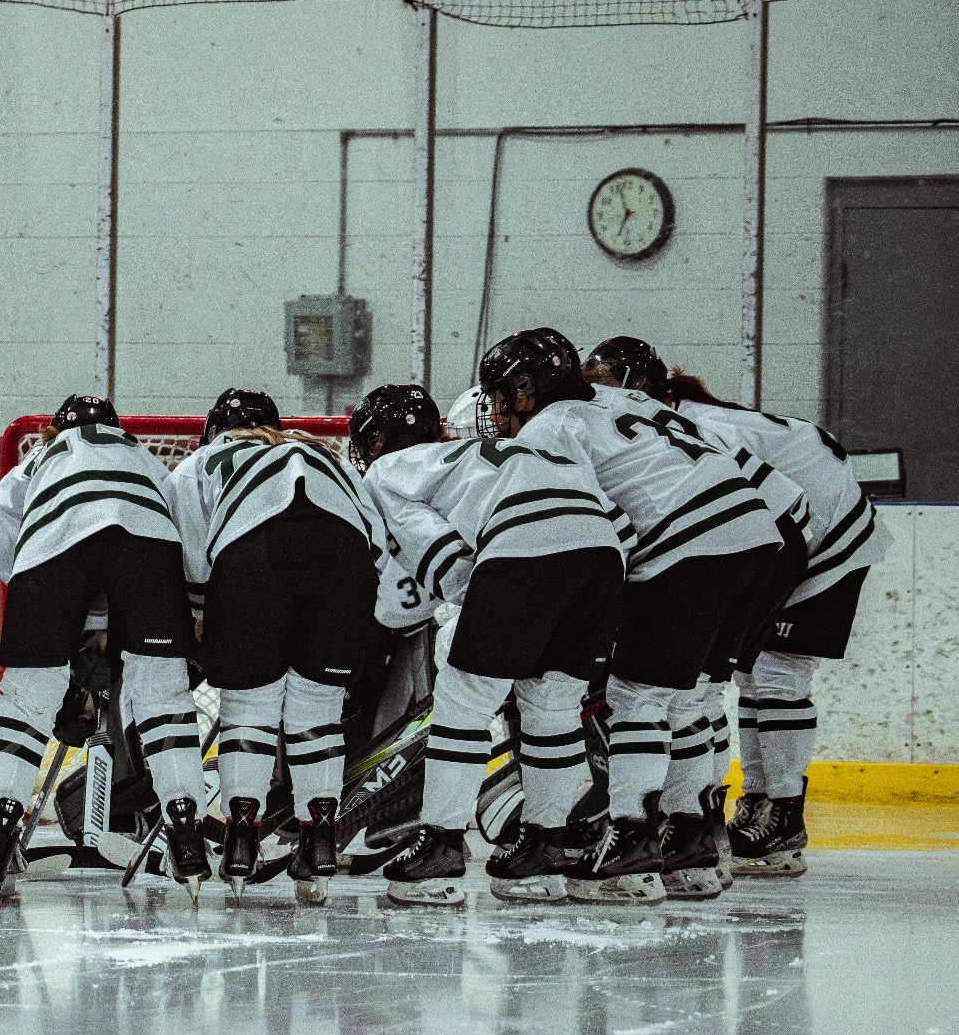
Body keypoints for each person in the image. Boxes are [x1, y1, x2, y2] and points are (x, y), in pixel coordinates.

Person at [483, 328, 786, 904]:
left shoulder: (551, 425)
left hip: (690, 546)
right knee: (689, 697)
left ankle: (630, 839)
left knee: (637, 699)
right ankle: (690, 839)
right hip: (760, 540)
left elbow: (584, 524)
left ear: (527, 389)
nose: (497, 407)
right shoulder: (629, 400)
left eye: (502, 393)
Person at [593, 343, 890, 877]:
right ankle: (754, 804)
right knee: (743, 675)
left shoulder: (689, 427)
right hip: (798, 528)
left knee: (775, 674)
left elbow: (778, 501)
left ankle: (781, 813)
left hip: (826, 533)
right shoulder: (672, 421)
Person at [350, 383, 626, 905]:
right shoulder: (513, 451)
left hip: (525, 549)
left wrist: (484, 610)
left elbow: (441, 560)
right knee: (553, 706)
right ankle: (546, 849)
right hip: (602, 555)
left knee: (463, 704)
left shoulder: (392, 470)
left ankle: (441, 847)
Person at [0, 395, 205, 898]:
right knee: (163, 699)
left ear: (55, 432)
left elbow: (16, 566)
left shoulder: (27, 469)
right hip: (146, 548)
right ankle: (185, 829)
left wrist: (77, 636)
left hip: (56, 550)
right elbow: (173, 537)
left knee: (25, 702)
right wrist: (114, 629)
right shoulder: (146, 459)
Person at [169, 388, 384, 901]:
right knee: (317, 709)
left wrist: (200, 614)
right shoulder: (321, 453)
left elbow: (194, 551)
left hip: (253, 554)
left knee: (249, 708)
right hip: (345, 559)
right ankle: (320, 839)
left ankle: (242, 837)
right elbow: (373, 532)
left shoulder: (200, 461)